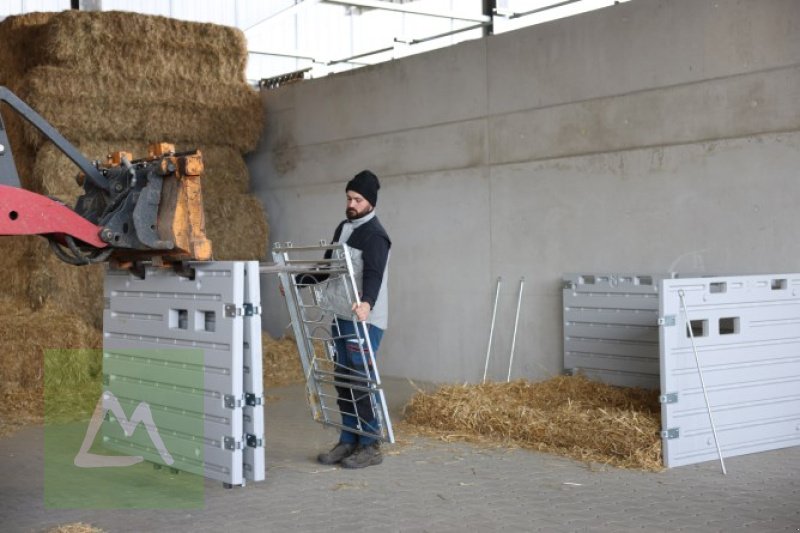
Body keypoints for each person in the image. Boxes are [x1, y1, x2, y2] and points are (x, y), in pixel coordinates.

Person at [313, 169, 391, 469]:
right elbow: (328, 266)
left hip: (365, 319)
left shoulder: (376, 236)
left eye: (358, 199)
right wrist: (298, 281)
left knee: (360, 381)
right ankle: (348, 440)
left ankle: (370, 446)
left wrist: (367, 304)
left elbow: (374, 274)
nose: (352, 204)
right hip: (342, 314)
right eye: (349, 198)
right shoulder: (344, 228)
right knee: (342, 380)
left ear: (370, 202)